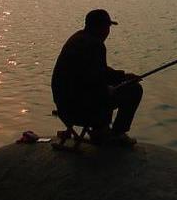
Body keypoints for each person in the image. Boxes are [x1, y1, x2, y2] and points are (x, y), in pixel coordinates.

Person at [51, 9, 143, 146]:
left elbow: (97, 72)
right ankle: (115, 133)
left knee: (107, 90)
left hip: (64, 107)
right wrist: (117, 83)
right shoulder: (95, 45)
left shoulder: (77, 38)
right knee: (134, 90)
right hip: (79, 110)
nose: (108, 32)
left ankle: (100, 130)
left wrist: (123, 77)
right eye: (107, 27)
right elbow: (97, 80)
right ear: (99, 27)